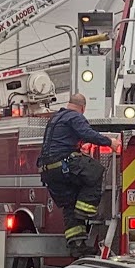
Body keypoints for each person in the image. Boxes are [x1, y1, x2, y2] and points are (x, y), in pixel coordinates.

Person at [37, 94, 115, 255]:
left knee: (69, 203)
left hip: (49, 172)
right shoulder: (75, 117)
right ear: (83, 108)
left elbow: (60, 142)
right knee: (95, 171)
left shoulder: (56, 118)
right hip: (63, 165)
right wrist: (110, 142)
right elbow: (87, 133)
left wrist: (78, 148)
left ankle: (77, 244)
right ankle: (85, 211)